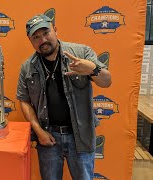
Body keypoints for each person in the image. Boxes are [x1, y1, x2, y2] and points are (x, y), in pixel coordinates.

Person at [16, 14, 112, 180]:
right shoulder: (27, 67)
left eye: (46, 32)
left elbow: (106, 81)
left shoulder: (81, 52)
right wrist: (39, 132)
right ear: (31, 41)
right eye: (36, 37)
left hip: (80, 136)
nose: (42, 40)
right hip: (48, 137)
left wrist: (92, 69)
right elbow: (24, 100)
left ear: (55, 30)